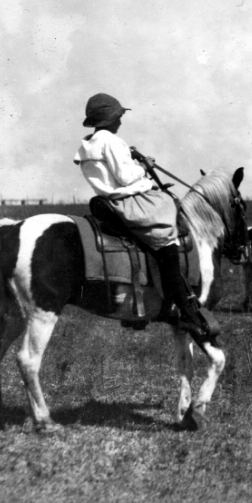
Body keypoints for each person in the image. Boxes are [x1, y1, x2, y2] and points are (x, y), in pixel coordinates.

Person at [73, 93, 218, 339]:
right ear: (109, 118)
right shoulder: (112, 141)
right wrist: (144, 166)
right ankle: (185, 308)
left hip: (108, 201)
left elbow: (113, 172)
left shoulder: (88, 144)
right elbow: (127, 177)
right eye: (119, 116)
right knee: (167, 235)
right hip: (130, 201)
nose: (121, 120)